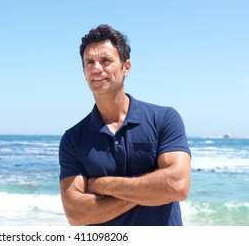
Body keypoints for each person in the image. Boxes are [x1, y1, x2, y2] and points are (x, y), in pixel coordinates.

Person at [59, 24, 191, 226]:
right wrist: (150, 191)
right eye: (89, 63)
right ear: (84, 72)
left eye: (105, 61)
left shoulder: (164, 119)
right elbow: (76, 214)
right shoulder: (73, 138)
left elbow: (177, 185)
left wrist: (101, 185)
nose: (96, 69)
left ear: (125, 67)